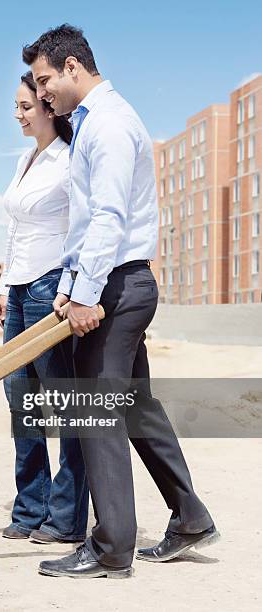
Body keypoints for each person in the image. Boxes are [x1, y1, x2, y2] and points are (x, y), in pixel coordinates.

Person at [22, 24, 219, 578]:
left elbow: (108, 218)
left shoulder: (106, 125)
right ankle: (190, 517)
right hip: (114, 281)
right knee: (135, 410)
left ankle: (111, 548)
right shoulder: (95, 123)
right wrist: (67, 285)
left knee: (96, 414)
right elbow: (86, 223)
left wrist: (84, 296)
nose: (41, 96)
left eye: (45, 81)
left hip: (116, 286)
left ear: (73, 68)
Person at [0, 71, 89, 544]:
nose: (19, 114)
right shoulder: (25, 159)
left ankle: (66, 517)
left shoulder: (70, 160)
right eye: (17, 106)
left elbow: (83, 228)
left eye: (26, 107)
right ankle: (30, 509)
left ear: (50, 108)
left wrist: (72, 285)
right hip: (17, 290)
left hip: (51, 287)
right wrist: (0, 285)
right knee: (21, 402)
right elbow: (14, 229)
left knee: (65, 405)